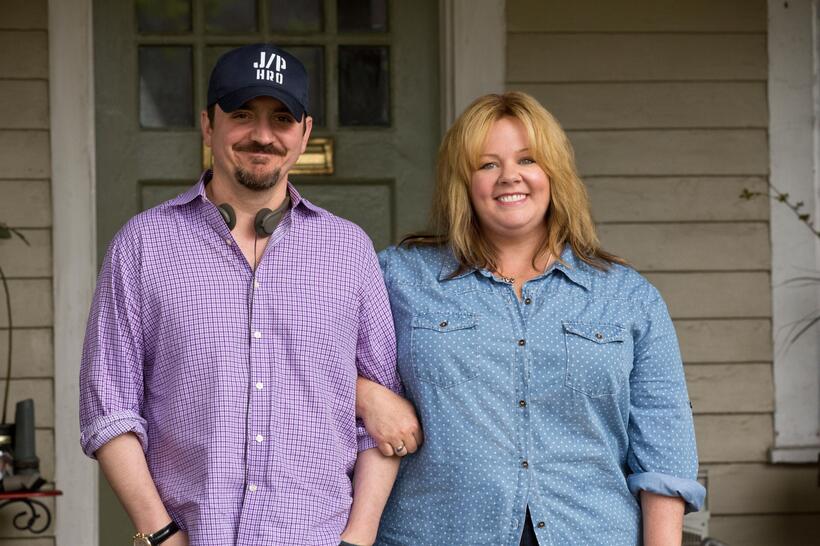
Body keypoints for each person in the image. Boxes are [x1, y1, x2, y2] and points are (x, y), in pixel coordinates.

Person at [79, 43, 408, 546]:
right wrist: (161, 535)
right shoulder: (143, 245)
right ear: (208, 126)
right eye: (241, 114)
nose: (262, 135)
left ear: (305, 134)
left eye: (281, 118)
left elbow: (379, 425)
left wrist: (358, 538)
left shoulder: (349, 250)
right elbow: (109, 406)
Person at [372, 92, 706, 545]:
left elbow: (665, 451)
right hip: (437, 530)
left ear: (553, 172)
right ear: (463, 182)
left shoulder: (627, 297)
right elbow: (297, 353)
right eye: (486, 164)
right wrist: (367, 396)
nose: (509, 176)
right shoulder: (400, 277)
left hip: (592, 531)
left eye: (527, 159)